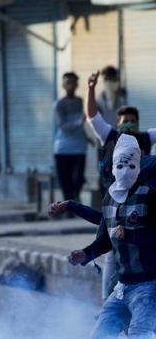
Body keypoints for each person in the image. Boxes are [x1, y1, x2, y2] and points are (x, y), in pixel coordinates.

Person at [68, 134, 156, 338]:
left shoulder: (150, 196)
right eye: (121, 165)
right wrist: (85, 253)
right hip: (122, 287)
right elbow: (107, 237)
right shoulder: (110, 198)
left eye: (131, 166)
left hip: (149, 286)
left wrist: (132, 235)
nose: (125, 171)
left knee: (141, 334)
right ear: (114, 165)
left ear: (139, 166)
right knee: (100, 334)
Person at [86, 71, 156, 191]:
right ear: (117, 123)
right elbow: (92, 116)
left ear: (138, 123)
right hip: (113, 191)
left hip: (140, 192)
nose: (129, 124)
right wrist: (91, 89)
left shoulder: (146, 137)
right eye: (125, 121)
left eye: (132, 121)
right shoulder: (108, 135)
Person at [53, 72, 88, 202]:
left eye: (73, 82)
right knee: (65, 180)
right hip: (63, 148)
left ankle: (75, 199)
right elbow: (63, 125)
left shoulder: (81, 102)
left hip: (79, 147)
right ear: (63, 85)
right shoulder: (59, 104)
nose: (71, 85)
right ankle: (67, 206)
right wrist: (80, 121)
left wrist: (87, 137)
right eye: (68, 83)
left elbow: (82, 124)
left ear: (77, 84)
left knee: (78, 178)